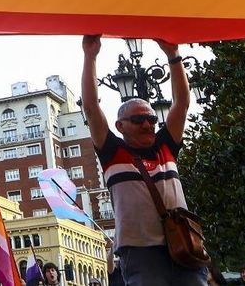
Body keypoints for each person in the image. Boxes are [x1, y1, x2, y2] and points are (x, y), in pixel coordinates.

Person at [81, 35, 204, 285]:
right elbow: (91, 107)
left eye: (151, 119)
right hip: (140, 252)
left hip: (185, 244)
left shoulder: (166, 146)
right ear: (120, 126)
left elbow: (181, 104)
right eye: (138, 120)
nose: (147, 124)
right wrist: (90, 56)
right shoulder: (112, 151)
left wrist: (173, 55)